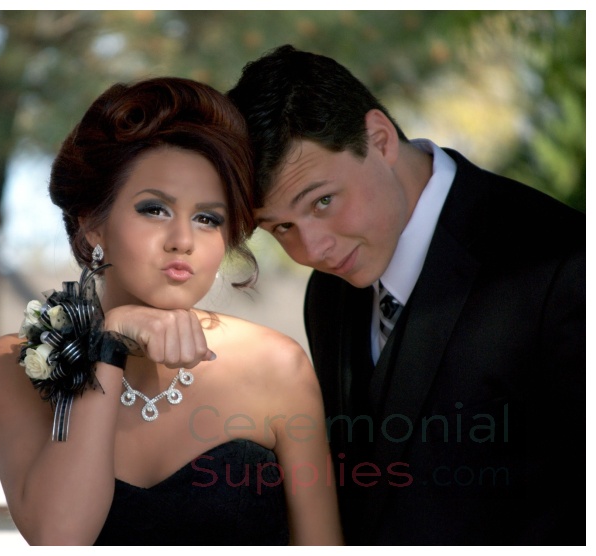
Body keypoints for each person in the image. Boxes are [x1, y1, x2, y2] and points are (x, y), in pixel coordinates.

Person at [227, 44, 584, 545]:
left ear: (379, 138)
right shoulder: (327, 296)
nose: (313, 248)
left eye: (323, 202)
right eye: (281, 227)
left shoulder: (560, 262)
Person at [0, 76, 343, 546]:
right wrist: (107, 346)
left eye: (207, 219)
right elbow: (59, 536)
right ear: (93, 224)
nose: (183, 240)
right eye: (155, 209)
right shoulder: (13, 366)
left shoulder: (277, 366)